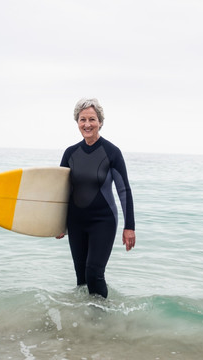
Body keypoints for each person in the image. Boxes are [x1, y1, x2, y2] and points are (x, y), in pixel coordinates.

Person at [56, 98, 136, 298]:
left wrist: (130, 227)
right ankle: (85, 322)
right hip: (76, 222)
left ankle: (102, 318)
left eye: (92, 119)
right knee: (81, 277)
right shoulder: (70, 153)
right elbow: (61, 191)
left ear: (100, 121)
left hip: (103, 220)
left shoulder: (111, 152)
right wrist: (57, 223)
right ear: (77, 122)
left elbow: (124, 190)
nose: (87, 124)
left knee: (94, 272)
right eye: (82, 119)